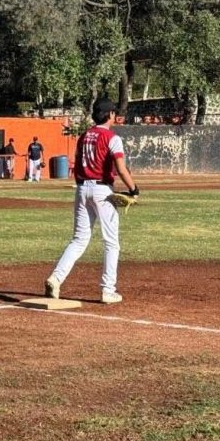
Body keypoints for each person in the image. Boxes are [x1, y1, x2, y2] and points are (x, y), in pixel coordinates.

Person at [45, 97, 139, 304]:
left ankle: (56, 277)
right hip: (102, 190)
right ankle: (108, 290)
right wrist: (133, 189)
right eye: (113, 112)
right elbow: (121, 168)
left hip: (81, 188)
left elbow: (79, 162)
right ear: (109, 114)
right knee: (111, 242)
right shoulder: (111, 137)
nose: (115, 115)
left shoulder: (85, 135)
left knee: (79, 239)